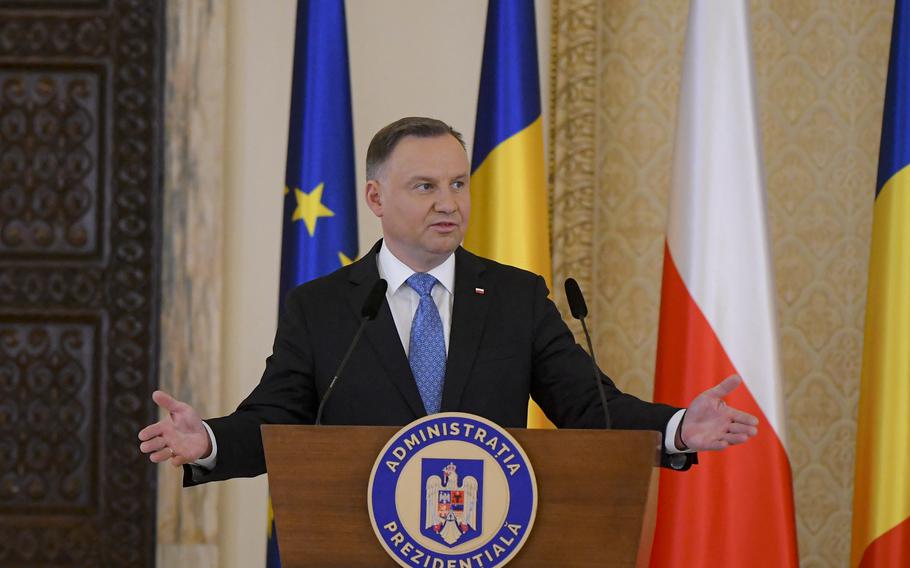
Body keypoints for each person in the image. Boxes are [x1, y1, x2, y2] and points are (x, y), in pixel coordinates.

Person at [138, 117, 758, 483]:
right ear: (376, 199)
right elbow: (277, 418)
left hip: (492, 542)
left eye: (458, 184)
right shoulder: (323, 307)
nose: (448, 202)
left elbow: (589, 407)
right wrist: (210, 442)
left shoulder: (515, 296)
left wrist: (678, 427)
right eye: (425, 186)